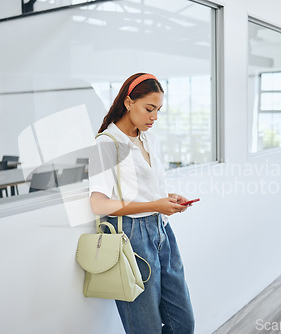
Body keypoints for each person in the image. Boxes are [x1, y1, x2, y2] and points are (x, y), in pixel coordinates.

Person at [88, 73, 195, 334]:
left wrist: (168, 198)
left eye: (158, 110)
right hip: (132, 239)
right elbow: (99, 205)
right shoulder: (106, 144)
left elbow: (147, 189)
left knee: (183, 323)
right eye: (149, 109)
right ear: (128, 103)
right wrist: (155, 205)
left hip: (162, 232)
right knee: (145, 328)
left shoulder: (149, 139)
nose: (154, 117)